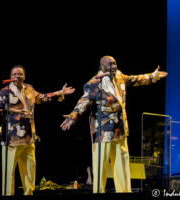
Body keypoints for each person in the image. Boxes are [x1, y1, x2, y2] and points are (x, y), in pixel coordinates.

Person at [60, 56, 167, 193]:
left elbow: (135, 80)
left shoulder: (119, 76)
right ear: (102, 66)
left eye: (114, 64)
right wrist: (72, 117)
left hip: (120, 130)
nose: (113, 67)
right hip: (102, 132)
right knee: (101, 168)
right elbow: (83, 102)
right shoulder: (94, 83)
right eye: (110, 64)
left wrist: (153, 76)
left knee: (122, 167)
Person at [0, 65, 75, 195]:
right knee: (9, 173)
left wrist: (60, 93)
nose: (17, 76)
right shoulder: (2, 93)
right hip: (12, 139)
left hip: (29, 138)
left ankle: (29, 193)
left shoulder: (29, 88)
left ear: (24, 76)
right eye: (14, 74)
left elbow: (42, 98)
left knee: (29, 172)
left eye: (20, 74)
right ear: (10, 77)